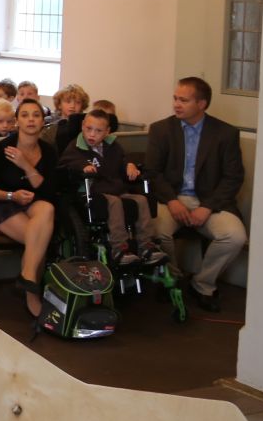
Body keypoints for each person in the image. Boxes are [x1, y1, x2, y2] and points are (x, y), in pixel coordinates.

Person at [143, 77, 247, 311]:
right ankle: (173, 278)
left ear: (201, 104)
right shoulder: (161, 129)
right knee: (157, 230)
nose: (176, 104)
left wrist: (207, 206)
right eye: (175, 98)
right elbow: (152, 172)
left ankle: (203, 284)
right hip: (170, 198)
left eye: (184, 100)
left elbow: (233, 177)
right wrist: (172, 200)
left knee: (235, 236)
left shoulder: (225, 133)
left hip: (210, 203)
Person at [0, 98, 58, 319]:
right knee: (39, 238)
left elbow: (49, 190)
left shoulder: (48, 151)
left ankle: (26, 276)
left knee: (47, 209)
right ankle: (32, 295)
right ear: (17, 121)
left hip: (32, 203)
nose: (31, 120)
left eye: (36, 115)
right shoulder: (4, 148)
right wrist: (12, 195)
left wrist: (25, 165)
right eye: (25, 115)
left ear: (43, 121)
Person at [59, 108, 168, 268]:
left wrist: (129, 166)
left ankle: (146, 246)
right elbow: (66, 163)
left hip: (116, 189)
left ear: (107, 132)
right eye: (89, 129)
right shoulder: (75, 146)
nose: (92, 134)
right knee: (114, 202)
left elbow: (123, 160)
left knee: (141, 200)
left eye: (98, 131)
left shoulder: (113, 146)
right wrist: (83, 166)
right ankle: (120, 249)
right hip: (94, 191)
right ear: (82, 125)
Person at [50, 84, 91, 154]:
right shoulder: (50, 123)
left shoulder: (86, 126)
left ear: (82, 106)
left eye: (78, 102)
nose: (72, 106)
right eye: (68, 101)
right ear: (59, 104)